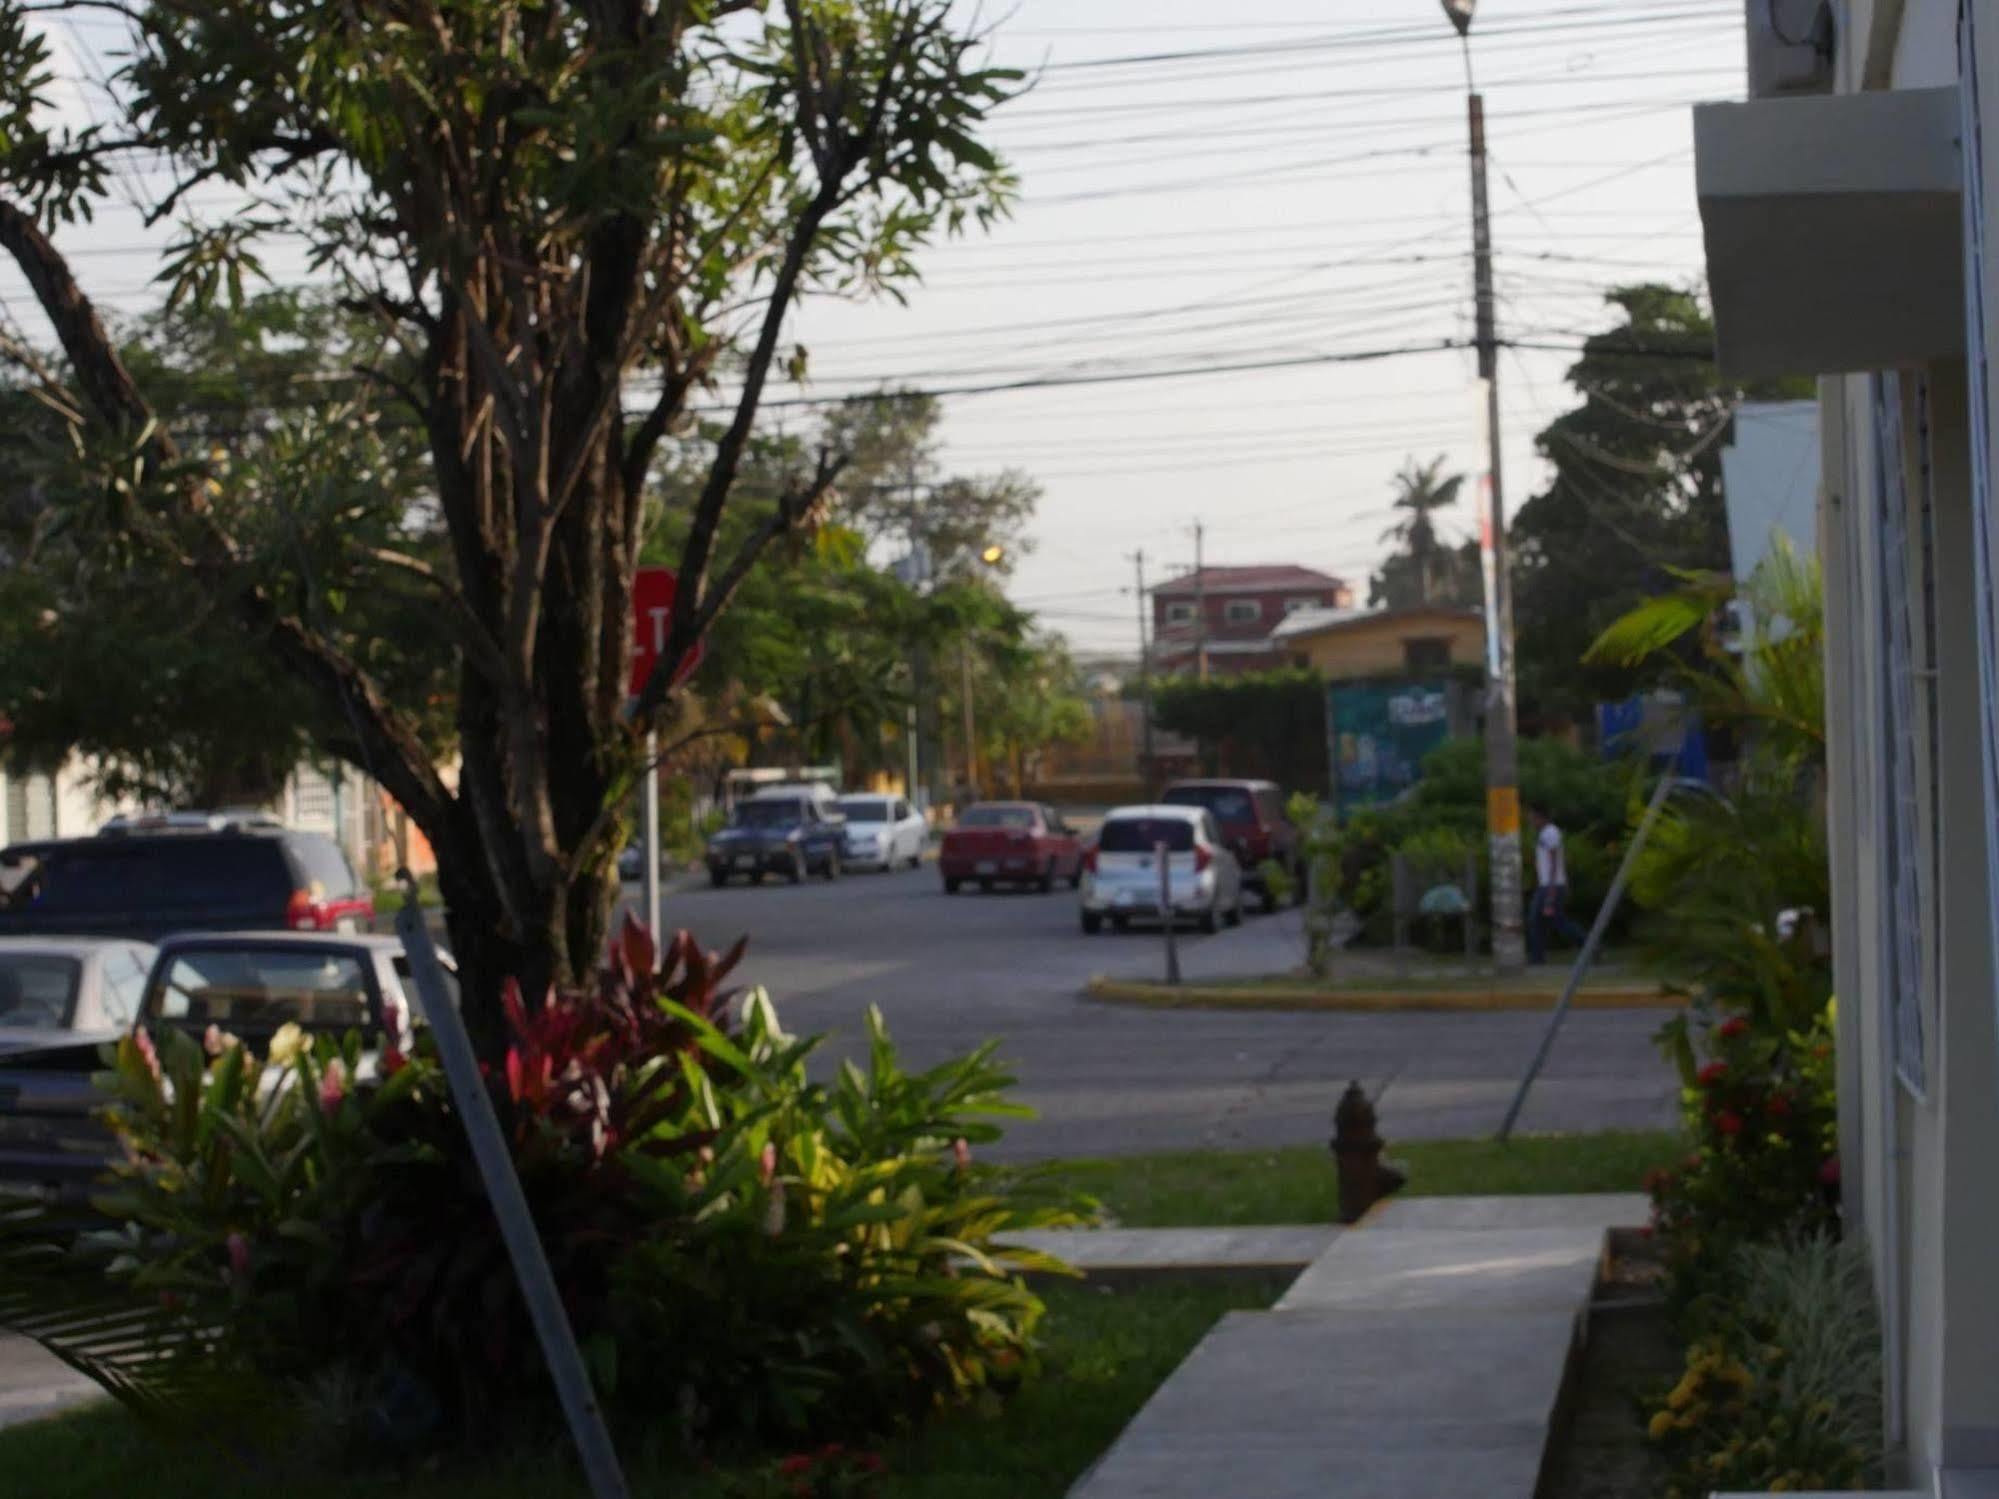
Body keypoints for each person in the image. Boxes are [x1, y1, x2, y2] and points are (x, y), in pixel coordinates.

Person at [1527, 802, 1587, 965]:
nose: (1531, 821)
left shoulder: (1550, 833)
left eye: (1532, 818)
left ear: (1540, 817)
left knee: (1557, 921)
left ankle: (1589, 946)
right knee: (1538, 921)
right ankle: (1537, 957)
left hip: (1551, 885)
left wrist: (1552, 889)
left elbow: (1554, 861)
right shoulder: (1544, 834)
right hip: (1547, 884)